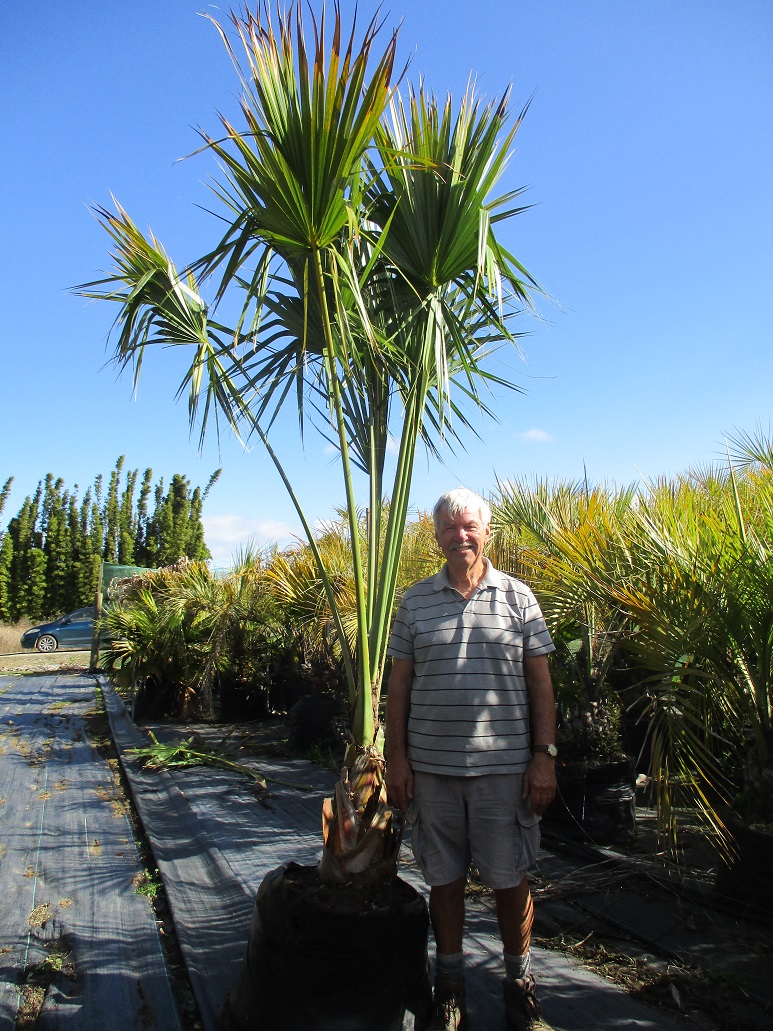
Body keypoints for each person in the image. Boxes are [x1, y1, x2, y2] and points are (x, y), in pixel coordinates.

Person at [385, 488, 557, 1031]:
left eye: (469, 526)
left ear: (487, 531)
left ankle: (519, 983)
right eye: (449, 527)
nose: (460, 535)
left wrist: (544, 757)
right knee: (444, 881)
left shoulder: (518, 598)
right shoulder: (414, 602)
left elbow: (541, 684)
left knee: (510, 879)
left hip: (504, 773)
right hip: (432, 773)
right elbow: (399, 687)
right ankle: (451, 987)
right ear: (435, 536)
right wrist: (396, 760)